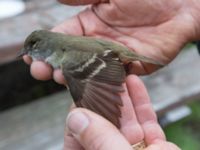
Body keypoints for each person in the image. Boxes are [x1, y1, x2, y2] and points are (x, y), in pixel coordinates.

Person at [23, 0, 200, 149]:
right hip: (109, 52)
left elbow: (96, 87)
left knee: (75, 80)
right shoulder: (65, 47)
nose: (29, 53)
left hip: (113, 54)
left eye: (32, 48)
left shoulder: (68, 56)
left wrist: (100, 116)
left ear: (45, 45)